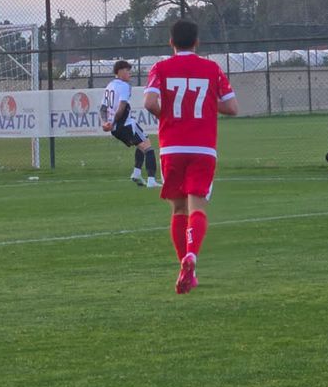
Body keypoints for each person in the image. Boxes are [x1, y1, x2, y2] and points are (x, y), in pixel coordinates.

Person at [143, 19, 239, 295]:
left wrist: (169, 116)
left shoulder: (160, 68)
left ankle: (184, 266)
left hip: (172, 147)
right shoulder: (211, 69)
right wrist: (209, 105)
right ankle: (192, 258)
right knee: (197, 207)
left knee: (178, 210)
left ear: (170, 42)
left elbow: (149, 102)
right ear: (197, 42)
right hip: (203, 148)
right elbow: (232, 107)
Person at [100, 60, 160, 188]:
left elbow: (103, 108)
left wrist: (105, 123)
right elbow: (121, 108)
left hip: (115, 129)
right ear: (120, 71)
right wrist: (113, 121)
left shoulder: (109, 85)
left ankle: (137, 173)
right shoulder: (124, 86)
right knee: (149, 148)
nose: (130, 74)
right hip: (126, 125)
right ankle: (151, 180)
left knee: (141, 145)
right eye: (127, 71)